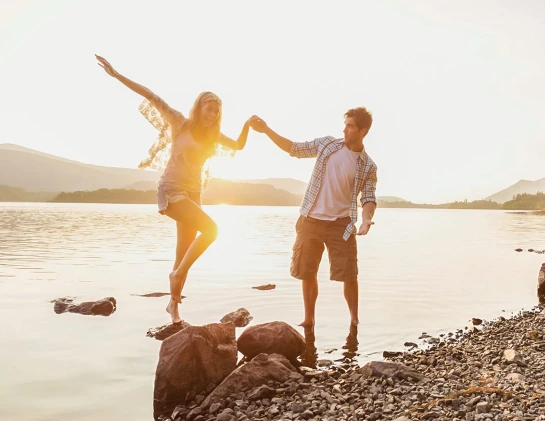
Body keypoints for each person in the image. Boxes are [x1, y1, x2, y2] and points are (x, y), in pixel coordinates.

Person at [95, 54, 260, 324]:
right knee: (212, 230)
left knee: (183, 252)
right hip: (172, 190)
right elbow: (151, 95)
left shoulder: (213, 136)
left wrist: (246, 126)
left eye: (217, 110)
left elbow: (239, 146)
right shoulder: (179, 123)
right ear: (199, 108)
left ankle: (174, 308)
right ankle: (176, 278)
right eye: (209, 107)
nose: (213, 113)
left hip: (194, 194)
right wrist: (117, 75)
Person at [252, 107, 378, 327]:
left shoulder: (368, 166)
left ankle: (354, 320)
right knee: (307, 271)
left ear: (363, 131)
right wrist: (266, 130)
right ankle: (309, 319)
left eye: (350, 126)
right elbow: (294, 148)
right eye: (345, 124)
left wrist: (366, 219)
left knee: (349, 274)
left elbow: (368, 197)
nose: (345, 129)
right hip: (310, 220)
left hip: (342, 225)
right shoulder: (327, 145)